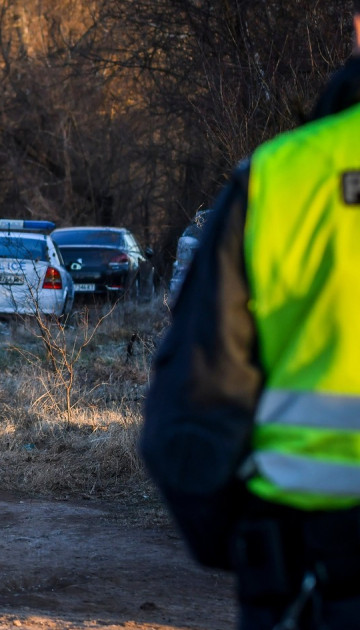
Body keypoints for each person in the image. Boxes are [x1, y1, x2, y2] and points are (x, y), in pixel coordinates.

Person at [141, 11, 360, 629]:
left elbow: (194, 403)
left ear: (356, 30)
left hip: (313, 571)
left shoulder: (280, 179)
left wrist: (252, 546)